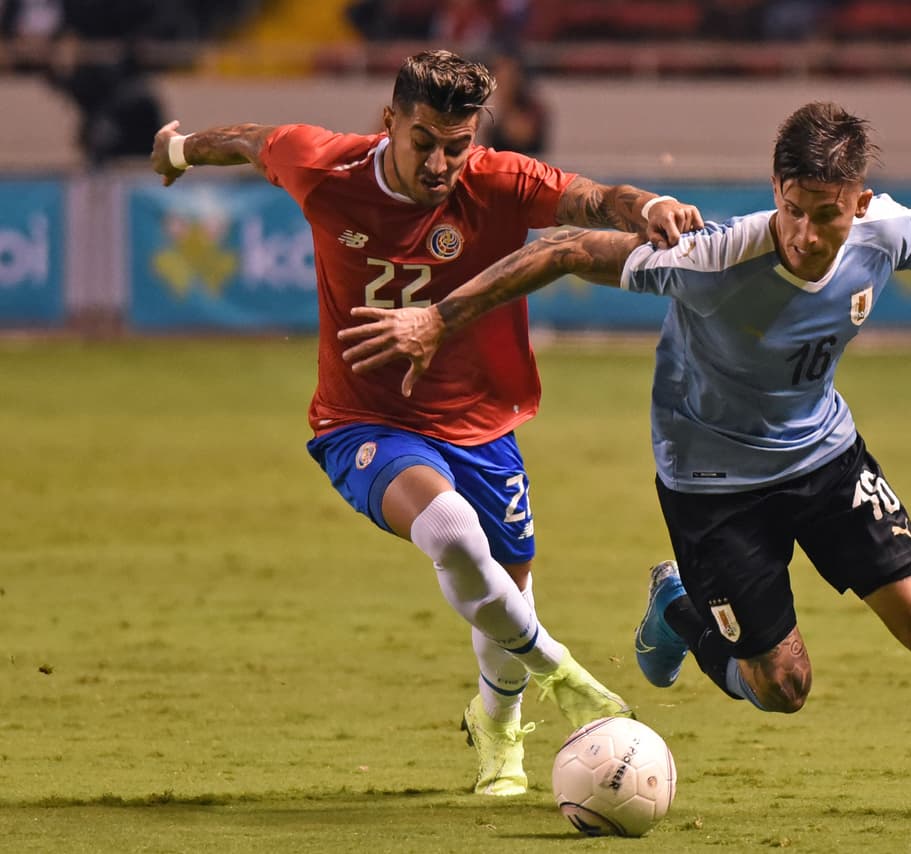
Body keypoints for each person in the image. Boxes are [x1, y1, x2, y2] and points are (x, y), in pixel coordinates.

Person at [336, 101, 911, 817]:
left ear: (859, 204)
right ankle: (679, 609)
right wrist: (437, 319)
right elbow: (567, 250)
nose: (807, 234)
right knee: (782, 687)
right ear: (776, 191)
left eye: (828, 215)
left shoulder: (883, 231)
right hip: (713, 487)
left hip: (826, 455)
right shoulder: (712, 260)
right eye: (794, 209)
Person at [148, 49, 704, 798]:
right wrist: (180, 150)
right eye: (424, 143)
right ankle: (561, 673)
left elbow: (596, 200)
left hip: (481, 423)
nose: (441, 164)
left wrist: (651, 205)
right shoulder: (325, 167)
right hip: (362, 420)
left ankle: (495, 726)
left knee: (507, 581)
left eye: (457, 145)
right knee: (451, 532)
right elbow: (250, 140)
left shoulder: (498, 180)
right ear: (389, 122)